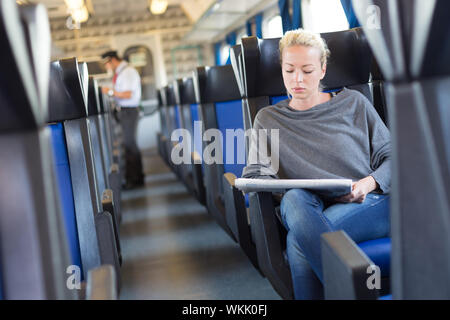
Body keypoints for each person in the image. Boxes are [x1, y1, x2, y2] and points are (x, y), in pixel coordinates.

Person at [242, 29, 391, 299]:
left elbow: (393, 157)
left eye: (307, 70)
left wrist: (368, 184)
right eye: (289, 70)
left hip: (368, 202)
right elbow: (257, 174)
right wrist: (256, 180)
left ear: (322, 70)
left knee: (299, 242)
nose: (297, 79)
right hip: (308, 207)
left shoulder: (354, 103)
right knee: (294, 199)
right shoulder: (267, 119)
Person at [101, 50, 144, 189]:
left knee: (129, 144)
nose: (107, 67)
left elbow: (128, 94)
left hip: (129, 111)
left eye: (107, 64)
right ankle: (136, 177)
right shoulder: (122, 73)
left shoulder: (128, 72)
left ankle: (135, 179)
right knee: (129, 144)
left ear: (112, 60)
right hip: (125, 112)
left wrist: (110, 92)